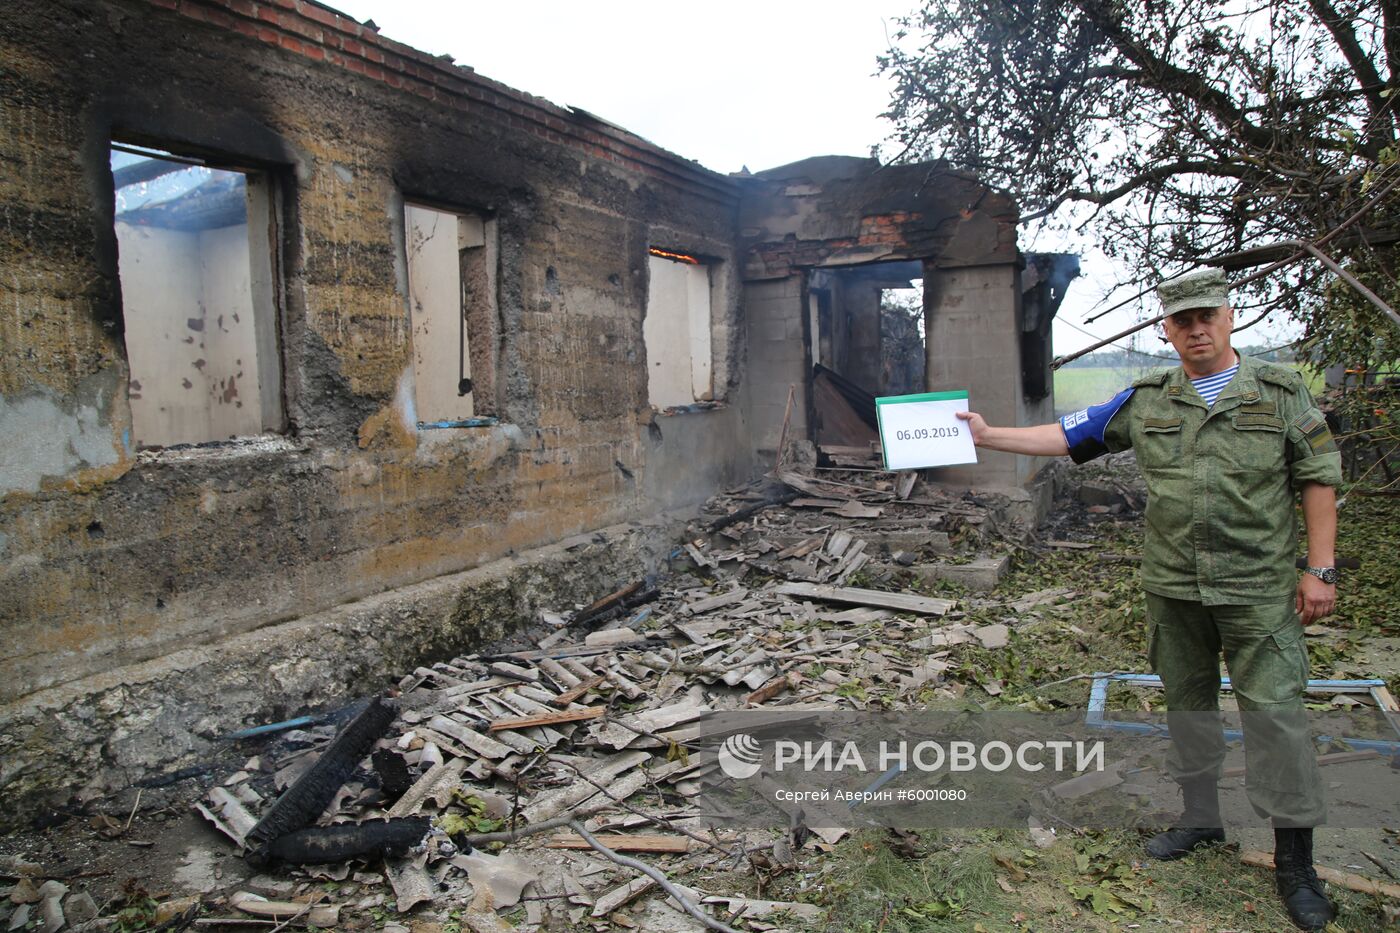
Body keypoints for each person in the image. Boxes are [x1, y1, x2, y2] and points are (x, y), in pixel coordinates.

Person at [956, 268, 1342, 931]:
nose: (1196, 329)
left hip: (1257, 590)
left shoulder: (1278, 396)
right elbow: (1068, 435)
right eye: (1182, 320)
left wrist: (1321, 570)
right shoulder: (1149, 400)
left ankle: (1295, 863)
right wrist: (990, 436)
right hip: (1175, 588)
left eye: (1206, 317)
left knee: (1276, 718)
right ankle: (1200, 819)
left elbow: (1317, 478)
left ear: (1229, 317)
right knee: (1188, 706)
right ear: (1167, 328)